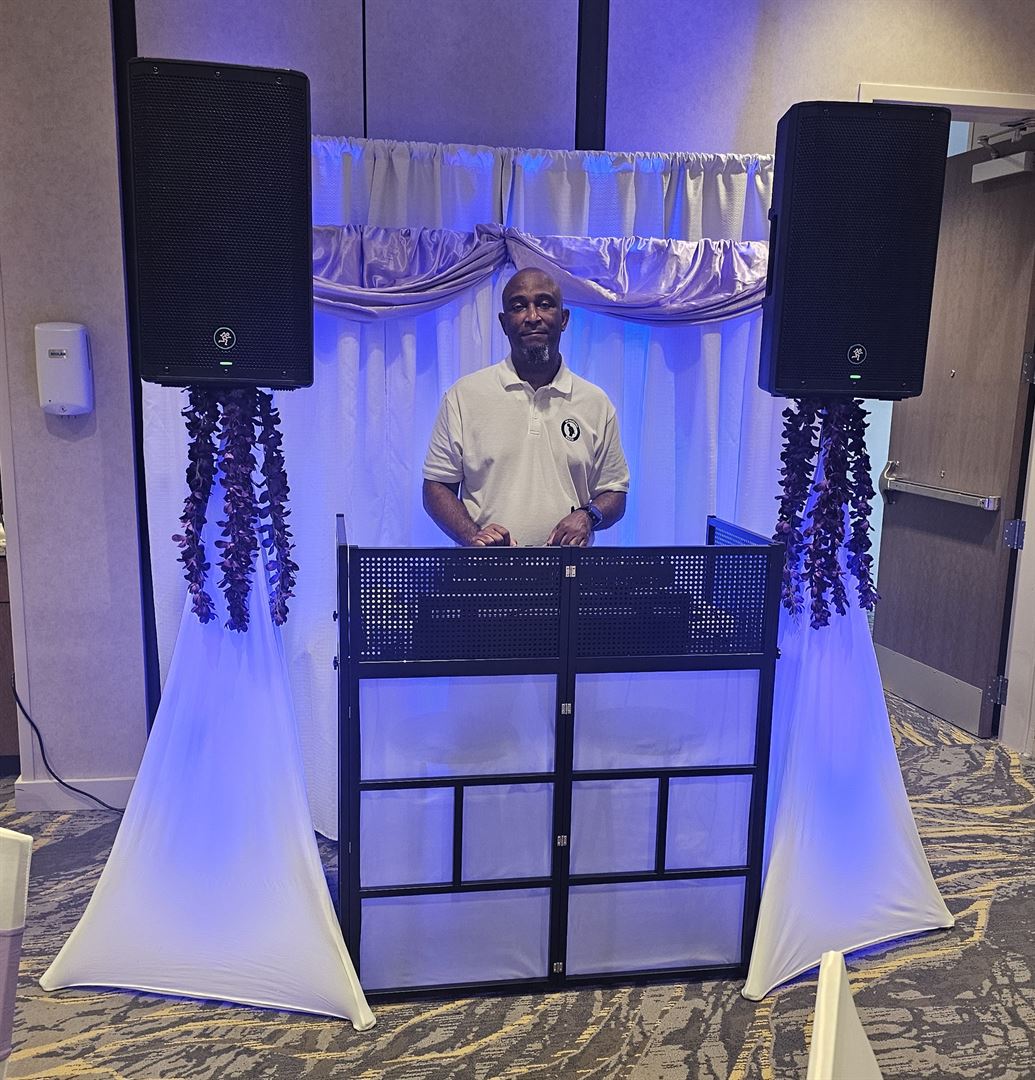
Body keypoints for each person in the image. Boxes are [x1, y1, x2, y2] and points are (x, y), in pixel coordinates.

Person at [422, 267, 629, 546]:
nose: (532, 317)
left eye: (544, 304)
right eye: (519, 307)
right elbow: (436, 486)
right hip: (485, 568)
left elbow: (615, 491)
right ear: (504, 322)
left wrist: (588, 515)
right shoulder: (463, 396)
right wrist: (474, 536)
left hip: (567, 569)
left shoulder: (596, 403)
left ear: (563, 319)